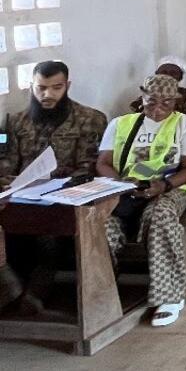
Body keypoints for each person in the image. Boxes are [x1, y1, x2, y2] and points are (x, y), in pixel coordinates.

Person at [98, 74, 186, 327]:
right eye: (151, 101)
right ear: (141, 97)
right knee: (101, 227)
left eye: (166, 103)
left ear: (175, 102)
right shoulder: (121, 124)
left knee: (160, 217)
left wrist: (163, 185)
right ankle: (104, 296)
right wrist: (122, 184)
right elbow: (103, 163)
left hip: (170, 188)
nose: (157, 109)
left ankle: (168, 297)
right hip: (124, 189)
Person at [0, 61, 107, 313]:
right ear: (31, 86)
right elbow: (6, 166)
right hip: (22, 198)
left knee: (48, 232)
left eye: (56, 88)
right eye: (41, 88)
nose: (47, 95)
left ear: (67, 86)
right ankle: (11, 289)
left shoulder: (90, 119)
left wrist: (59, 185)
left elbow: (88, 167)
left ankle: (36, 291)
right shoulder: (16, 122)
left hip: (66, 198)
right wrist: (8, 186)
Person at [130, 57, 186, 128]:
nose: (167, 76)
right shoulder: (147, 98)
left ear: (181, 77)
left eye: (173, 73)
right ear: (156, 75)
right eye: (164, 72)